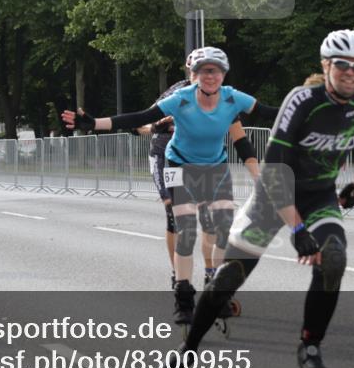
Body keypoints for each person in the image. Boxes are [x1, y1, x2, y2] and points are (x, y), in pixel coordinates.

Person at [140, 29, 354, 368]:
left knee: (334, 257)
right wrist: (297, 229)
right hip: (273, 197)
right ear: (326, 65)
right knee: (229, 278)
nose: (351, 73)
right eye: (342, 66)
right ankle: (189, 347)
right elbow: (273, 172)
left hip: (319, 197)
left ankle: (310, 347)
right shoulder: (301, 101)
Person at [63, 47, 265, 326]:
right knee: (178, 221)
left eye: (214, 71)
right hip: (166, 157)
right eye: (202, 72)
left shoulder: (226, 99)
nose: (208, 77)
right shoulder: (177, 96)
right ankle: (180, 284)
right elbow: (140, 121)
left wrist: (259, 178)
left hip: (210, 166)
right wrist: (97, 124)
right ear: (191, 73)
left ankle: (211, 277)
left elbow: (241, 140)